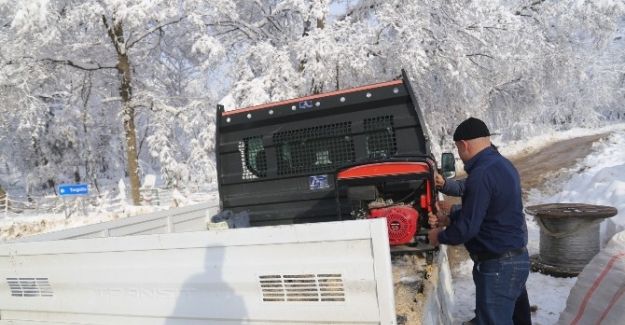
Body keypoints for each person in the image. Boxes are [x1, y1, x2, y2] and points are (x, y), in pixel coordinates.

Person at [428, 117, 530, 325]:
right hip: (515, 261)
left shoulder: (482, 173)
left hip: (498, 266)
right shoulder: (501, 164)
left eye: (458, 149)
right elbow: (489, 210)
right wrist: (450, 216)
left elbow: (468, 228)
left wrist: (438, 236)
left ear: (464, 144)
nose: (459, 155)